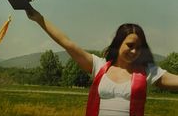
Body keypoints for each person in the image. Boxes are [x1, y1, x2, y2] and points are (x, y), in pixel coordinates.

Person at [25, 6, 178, 116]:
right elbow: (67, 43)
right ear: (118, 44)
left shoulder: (147, 71)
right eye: (130, 46)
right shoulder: (99, 65)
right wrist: (39, 18)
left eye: (139, 47)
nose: (134, 51)